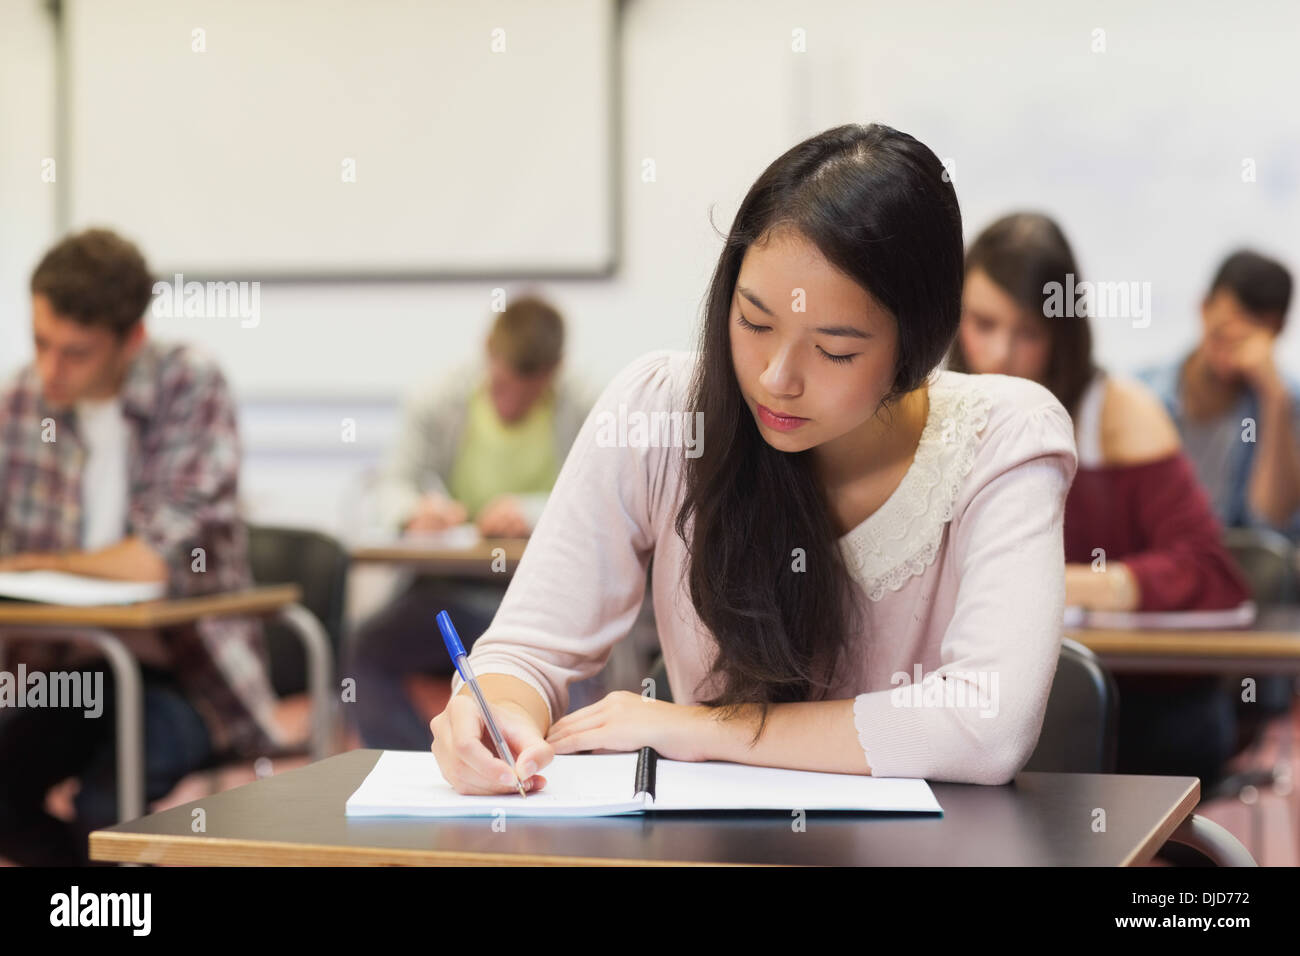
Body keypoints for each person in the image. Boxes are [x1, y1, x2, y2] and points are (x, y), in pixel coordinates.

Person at [428, 122, 1080, 796]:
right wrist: (497, 710)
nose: (776, 378)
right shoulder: (659, 410)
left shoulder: (1003, 439)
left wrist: (702, 729)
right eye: (754, 321)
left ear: (917, 345)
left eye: (834, 350)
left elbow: (988, 725)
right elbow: (529, 646)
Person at [0, 228, 281, 866]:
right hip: (65, 668)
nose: (51, 370)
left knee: (106, 809)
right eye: (40, 342)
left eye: (76, 353)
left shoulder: (191, 385)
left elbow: (151, 561)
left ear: (132, 339)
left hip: (185, 673)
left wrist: (38, 563)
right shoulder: (21, 403)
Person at [947, 211, 1252, 787]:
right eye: (982, 323)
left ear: (1063, 336)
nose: (999, 353)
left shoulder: (1115, 411)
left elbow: (1209, 570)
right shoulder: (935, 407)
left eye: (1028, 333)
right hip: (986, 702)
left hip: (1139, 707)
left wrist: (1054, 582)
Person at [348, 296, 600, 749]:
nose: (512, 404)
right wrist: (413, 512)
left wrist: (531, 512)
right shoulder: (438, 399)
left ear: (555, 370)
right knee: (367, 647)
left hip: (541, 594)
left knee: (574, 658)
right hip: (449, 590)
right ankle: (415, 762)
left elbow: (604, 493)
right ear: (488, 352)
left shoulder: (587, 406)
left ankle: (562, 761)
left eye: (528, 391)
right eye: (503, 387)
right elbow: (390, 485)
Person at [1136, 251, 1300, 543]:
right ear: (1204, 308)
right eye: (1225, 330)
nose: (1233, 349)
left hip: (1241, 576)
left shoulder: (1284, 400)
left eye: (1251, 335)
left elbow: (1272, 522)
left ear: (1276, 332)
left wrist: (1274, 401)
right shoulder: (1143, 393)